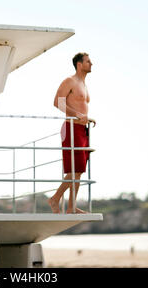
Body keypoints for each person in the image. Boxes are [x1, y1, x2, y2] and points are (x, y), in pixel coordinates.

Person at [48, 52, 96, 214]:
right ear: (79, 64)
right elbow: (57, 103)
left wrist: (87, 119)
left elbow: (81, 108)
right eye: (88, 61)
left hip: (82, 129)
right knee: (74, 169)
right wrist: (78, 115)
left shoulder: (84, 85)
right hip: (70, 127)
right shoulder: (70, 81)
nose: (92, 64)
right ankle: (55, 198)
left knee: (80, 170)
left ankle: (71, 207)